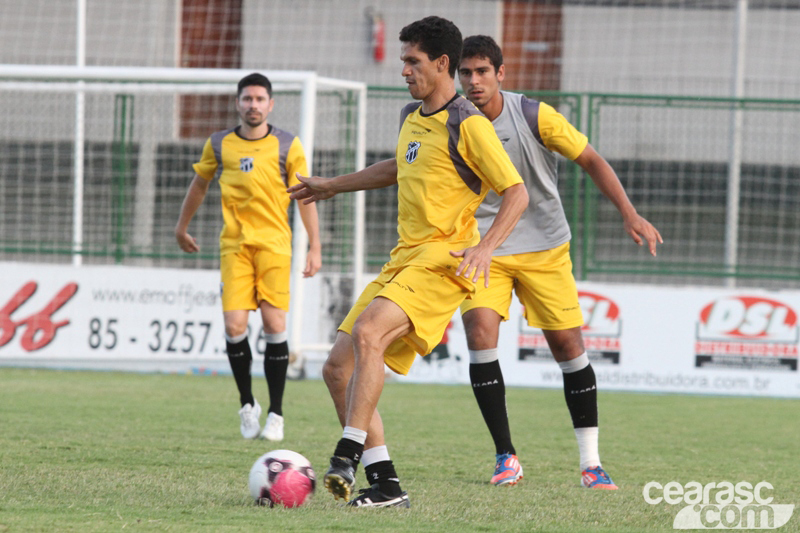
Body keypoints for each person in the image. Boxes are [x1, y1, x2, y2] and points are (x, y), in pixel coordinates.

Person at [288, 16, 528, 507]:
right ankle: (387, 486)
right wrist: (332, 185)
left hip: (445, 261)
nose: (403, 70)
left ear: (442, 63)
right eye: (402, 61)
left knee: (371, 332)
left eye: (412, 61)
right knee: (336, 368)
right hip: (403, 259)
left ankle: (346, 454)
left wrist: (485, 248)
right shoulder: (411, 116)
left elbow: (517, 193)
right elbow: (400, 166)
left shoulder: (470, 123)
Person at [456, 35, 663, 489]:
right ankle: (505, 456)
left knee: (568, 347)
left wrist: (629, 213)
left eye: (482, 72)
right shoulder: (450, 122)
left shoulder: (533, 114)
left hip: (545, 247)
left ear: (500, 74)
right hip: (484, 248)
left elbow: (590, 158)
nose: (473, 81)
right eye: (465, 73)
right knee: (479, 335)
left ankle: (591, 463)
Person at [175, 73, 321, 442]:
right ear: (237, 103)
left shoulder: (288, 145)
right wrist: (181, 227)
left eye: (259, 99)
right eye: (247, 99)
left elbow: (305, 195)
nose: (253, 105)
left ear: (270, 104)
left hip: (274, 245)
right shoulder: (220, 144)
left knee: (274, 325)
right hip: (234, 247)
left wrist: (314, 246)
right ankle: (246, 404)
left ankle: (276, 414)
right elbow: (200, 183)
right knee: (234, 326)